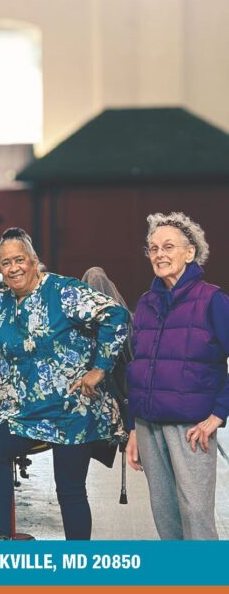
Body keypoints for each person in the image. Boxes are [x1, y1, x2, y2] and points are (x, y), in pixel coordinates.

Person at [0, 227, 129, 540]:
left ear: (33, 261)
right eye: (5, 263)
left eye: (19, 260)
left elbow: (116, 316)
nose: (13, 268)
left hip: (70, 411)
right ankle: (2, 536)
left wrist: (99, 369)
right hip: (24, 414)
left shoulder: (63, 292)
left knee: (70, 490)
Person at [125, 211, 229, 540]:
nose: (160, 255)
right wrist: (132, 429)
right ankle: (179, 587)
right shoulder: (145, 303)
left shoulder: (212, 300)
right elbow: (137, 366)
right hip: (149, 425)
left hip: (191, 428)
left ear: (190, 252)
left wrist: (218, 416)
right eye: (153, 248)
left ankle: (210, 587)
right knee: (165, 515)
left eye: (168, 246)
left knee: (196, 514)